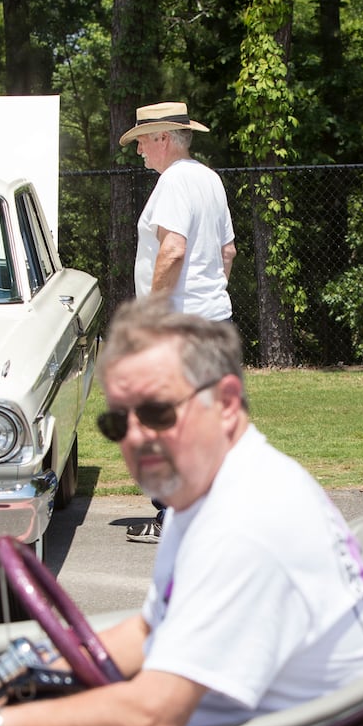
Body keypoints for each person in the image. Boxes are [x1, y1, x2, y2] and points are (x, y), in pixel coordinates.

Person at [0, 297, 363, 726]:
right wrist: (29, 674)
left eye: (157, 412)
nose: (135, 437)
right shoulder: (202, 491)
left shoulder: (247, 520)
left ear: (226, 402)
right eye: (118, 422)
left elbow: (154, 717)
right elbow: (149, 631)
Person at [118, 101, 238, 542]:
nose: (139, 152)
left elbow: (172, 250)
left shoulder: (173, 182)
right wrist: (211, 296)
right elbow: (228, 252)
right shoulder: (210, 179)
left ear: (164, 138)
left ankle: (174, 519)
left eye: (143, 142)